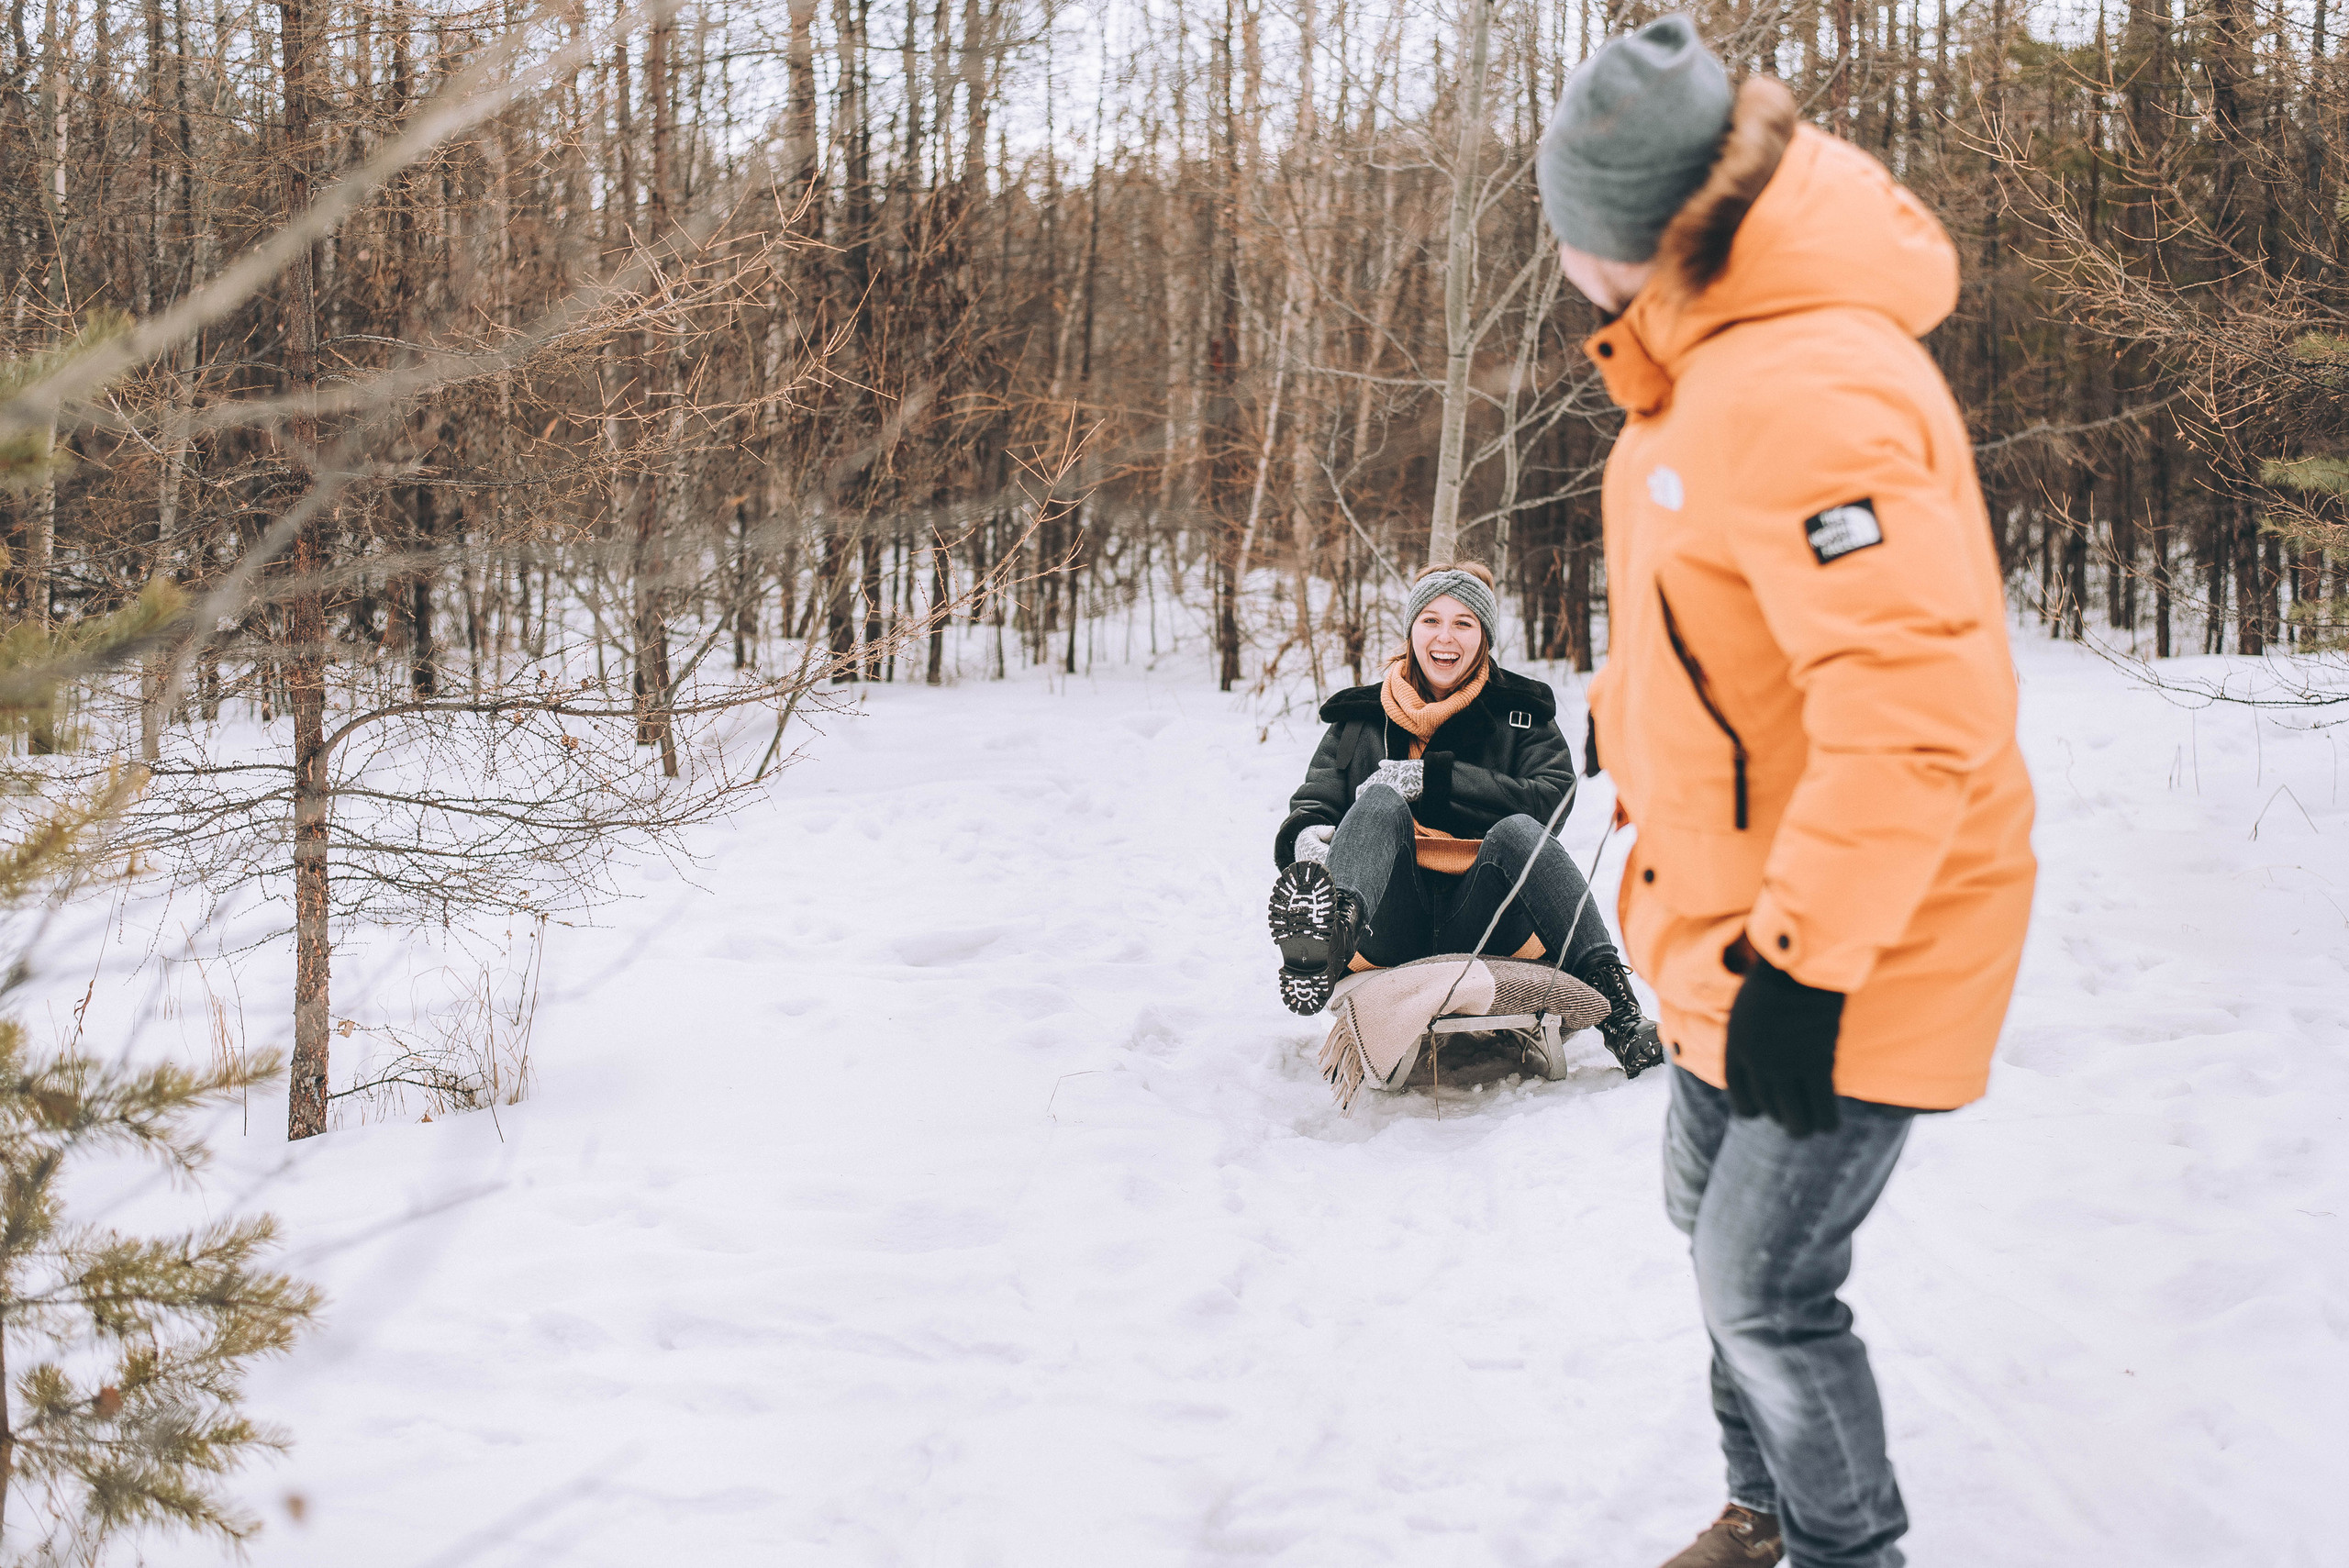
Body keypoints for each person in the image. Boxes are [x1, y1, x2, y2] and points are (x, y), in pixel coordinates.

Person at [1534, 17, 2038, 1568]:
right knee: (1712, 1248)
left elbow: (1911, 702)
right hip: (1719, 925)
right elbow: (1724, 633)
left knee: (1762, 1282)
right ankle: (1762, 1511)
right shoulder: (1708, 369)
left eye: (1562, 230)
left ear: (1629, 234)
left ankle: (1844, 1548)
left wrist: (1809, 964)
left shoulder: (1805, 381)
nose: (1556, 260)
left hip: (1847, 943)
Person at [1267, 562, 1664, 1079]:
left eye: (1464, 623)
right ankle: (1328, 937)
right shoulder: (1359, 716)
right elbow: (1314, 806)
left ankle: (1623, 1016)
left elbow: (1554, 800)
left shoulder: (1521, 712)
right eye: (1431, 620)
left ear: (1485, 636)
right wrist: (1309, 845)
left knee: (1520, 829)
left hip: (1487, 915)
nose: (1445, 637)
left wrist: (1434, 780)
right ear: (1411, 629)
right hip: (1386, 915)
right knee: (1380, 802)